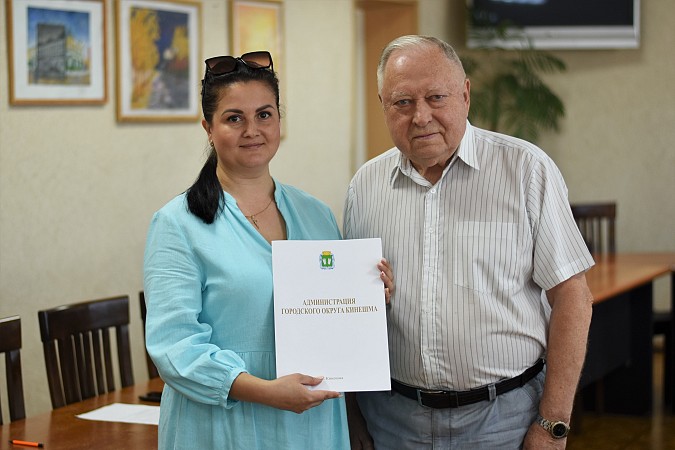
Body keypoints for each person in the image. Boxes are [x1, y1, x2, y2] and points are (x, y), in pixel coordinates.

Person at [343, 35, 595, 449]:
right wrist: (352, 416)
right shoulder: (365, 186)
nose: (421, 116)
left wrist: (553, 424)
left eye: (436, 97)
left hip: (505, 420)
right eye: (402, 102)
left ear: (465, 94)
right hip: (391, 420)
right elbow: (351, 308)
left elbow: (572, 297)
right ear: (383, 105)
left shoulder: (526, 170)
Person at [143, 51, 394, 449]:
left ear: (279, 121)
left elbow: (335, 321)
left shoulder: (316, 215)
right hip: (222, 429)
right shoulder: (178, 224)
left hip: (312, 426)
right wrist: (265, 391)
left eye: (264, 115)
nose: (252, 130)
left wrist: (368, 296)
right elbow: (175, 348)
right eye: (234, 118)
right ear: (208, 128)